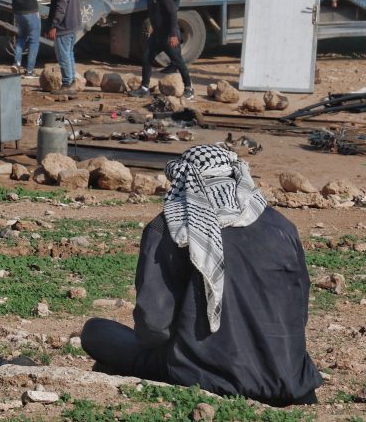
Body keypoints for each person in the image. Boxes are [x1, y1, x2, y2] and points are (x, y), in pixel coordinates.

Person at [81, 145, 321, 406]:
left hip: (202, 375)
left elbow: (154, 328)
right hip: (289, 379)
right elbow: (298, 315)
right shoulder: (281, 226)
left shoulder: (170, 229)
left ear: (184, 181)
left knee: (95, 331)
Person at [128, 0, 194, 100]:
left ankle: (189, 88)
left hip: (169, 35)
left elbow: (172, 13)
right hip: (157, 35)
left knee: (178, 61)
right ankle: (145, 88)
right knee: (147, 57)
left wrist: (173, 35)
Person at [44, 0, 80, 96]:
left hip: (63, 27)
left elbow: (60, 8)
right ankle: (71, 84)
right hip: (72, 25)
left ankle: (67, 84)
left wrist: (54, 26)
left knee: (63, 56)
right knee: (69, 55)